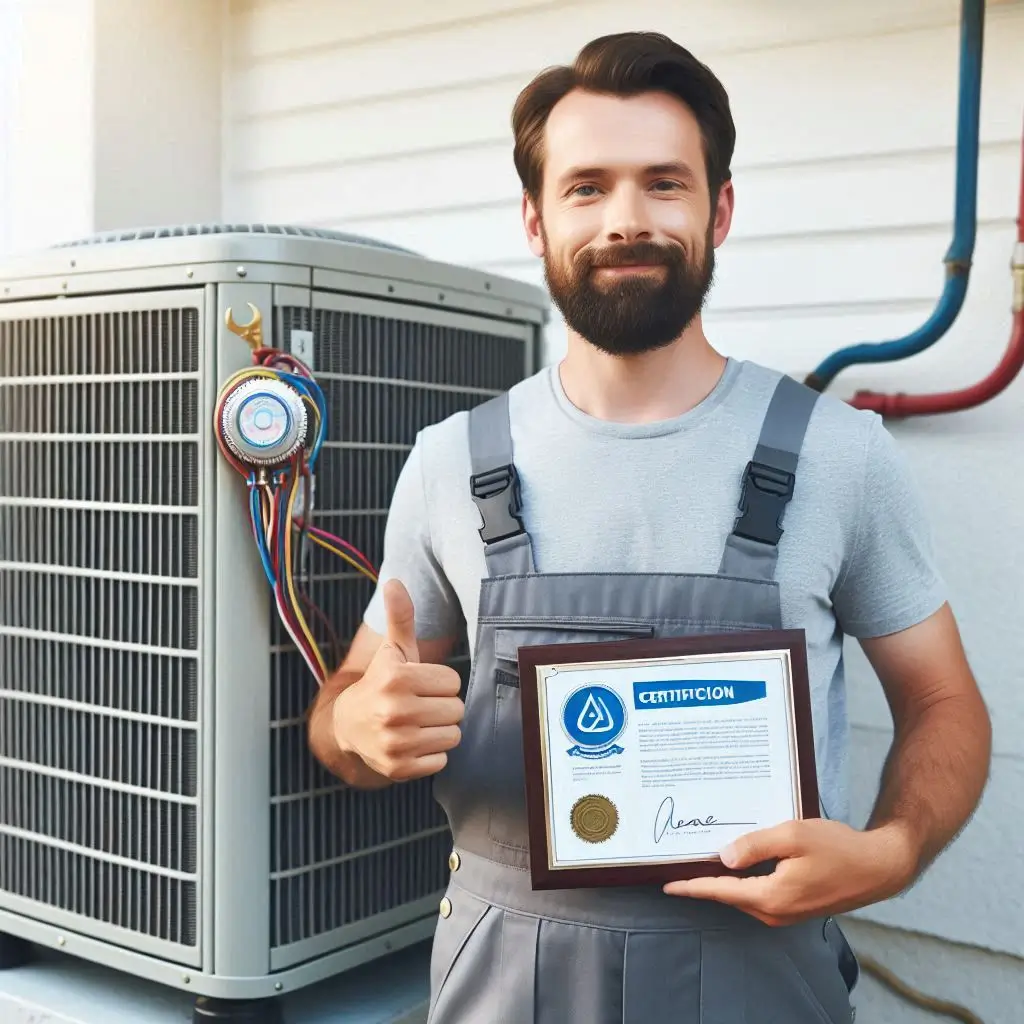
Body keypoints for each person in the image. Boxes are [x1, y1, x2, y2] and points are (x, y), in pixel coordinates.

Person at [308, 30, 991, 1023]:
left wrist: (886, 855)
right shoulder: (451, 464)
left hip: (763, 980)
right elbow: (339, 714)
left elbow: (943, 702)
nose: (625, 218)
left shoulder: (839, 456)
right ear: (535, 221)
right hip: (506, 986)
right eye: (585, 187)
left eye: (662, 183)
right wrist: (356, 727)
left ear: (716, 210)